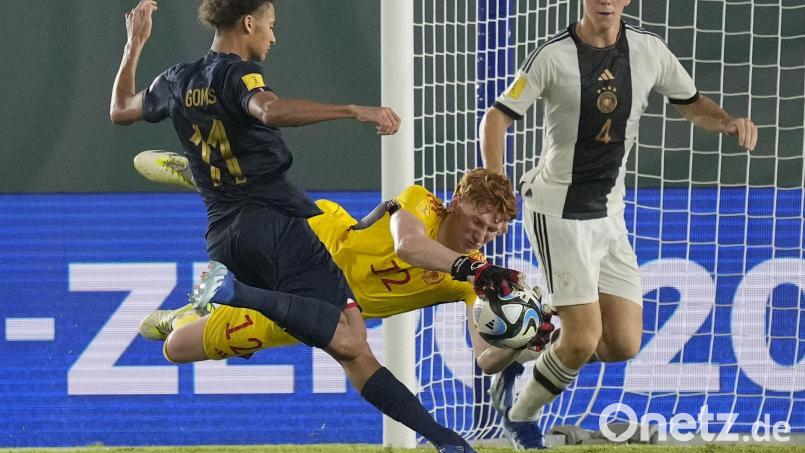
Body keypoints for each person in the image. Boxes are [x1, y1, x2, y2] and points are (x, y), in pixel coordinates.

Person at [109, 1, 517, 451]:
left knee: (188, 347)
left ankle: (448, 442)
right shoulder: (240, 74)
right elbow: (268, 110)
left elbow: (121, 110)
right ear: (248, 23)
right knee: (353, 345)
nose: (272, 36)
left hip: (226, 234)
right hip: (278, 226)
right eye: (270, 26)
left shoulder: (176, 78)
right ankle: (232, 292)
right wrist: (351, 109)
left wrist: (135, 45)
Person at [479, 0, 758, 448]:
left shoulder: (650, 51)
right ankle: (519, 417)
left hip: (609, 215)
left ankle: (526, 349)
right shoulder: (552, 56)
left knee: (620, 345)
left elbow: (691, 103)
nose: (605, 1)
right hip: (558, 213)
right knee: (583, 337)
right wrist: (496, 178)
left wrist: (727, 123)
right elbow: (497, 116)